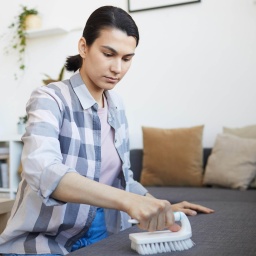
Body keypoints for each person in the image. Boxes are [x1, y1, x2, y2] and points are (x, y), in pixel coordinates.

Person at [0, 5, 214, 255]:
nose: (118, 68)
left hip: (102, 234)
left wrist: (155, 205)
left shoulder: (117, 106)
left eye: (126, 58)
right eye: (108, 54)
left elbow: (124, 178)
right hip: (44, 241)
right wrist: (127, 201)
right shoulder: (50, 98)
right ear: (84, 47)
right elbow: (44, 171)